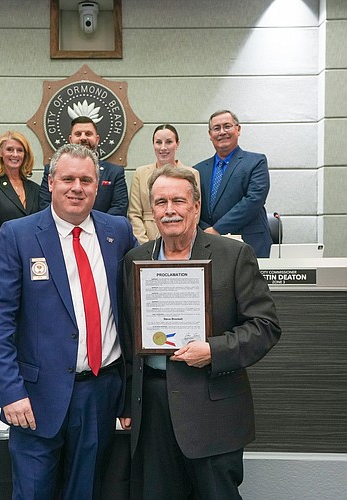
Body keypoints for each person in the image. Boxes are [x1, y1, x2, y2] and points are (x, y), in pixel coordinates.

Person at [0, 143, 137, 500]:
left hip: (100, 393)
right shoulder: (17, 236)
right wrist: (10, 392)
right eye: (67, 178)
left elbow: (130, 316)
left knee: (86, 492)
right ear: (50, 183)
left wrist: (128, 396)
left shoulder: (118, 233)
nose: (76, 187)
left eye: (86, 180)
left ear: (98, 186)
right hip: (34, 398)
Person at [120, 166, 281, 500]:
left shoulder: (234, 255)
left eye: (179, 200)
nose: (170, 210)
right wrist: (126, 405)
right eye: (161, 202)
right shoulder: (135, 260)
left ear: (196, 206)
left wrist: (213, 350)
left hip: (213, 407)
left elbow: (265, 327)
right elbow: (126, 334)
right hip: (151, 408)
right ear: (152, 211)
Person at [194, 110, 273, 258]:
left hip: (250, 244)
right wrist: (207, 231)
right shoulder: (198, 170)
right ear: (210, 135)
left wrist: (218, 229)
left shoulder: (256, 162)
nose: (222, 132)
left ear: (238, 129)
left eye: (227, 126)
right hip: (210, 245)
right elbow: (193, 206)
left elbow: (253, 200)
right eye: (216, 128)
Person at [39, 116, 129, 217]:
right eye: (78, 134)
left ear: (97, 139)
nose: (83, 138)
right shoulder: (51, 169)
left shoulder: (114, 172)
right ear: (70, 139)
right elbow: (45, 203)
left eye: (88, 134)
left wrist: (94, 224)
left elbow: (120, 207)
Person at [128, 124, 200, 244]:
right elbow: (134, 214)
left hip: (182, 241)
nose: (163, 147)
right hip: (147, 239)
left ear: (177, 144)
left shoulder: (191, 173)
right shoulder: (140, 173)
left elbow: (194, 213)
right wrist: (145, 244)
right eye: (158, 142)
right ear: (153, 145)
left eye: (168, 142)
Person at [0, 131, 42, 254]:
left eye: (20, 150)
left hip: (32, 257)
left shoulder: (35, 189)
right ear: (1, 153)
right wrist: (20, 246)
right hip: (2, 256)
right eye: (10, 149)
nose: (15, 154)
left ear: (25, 155)